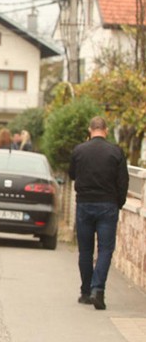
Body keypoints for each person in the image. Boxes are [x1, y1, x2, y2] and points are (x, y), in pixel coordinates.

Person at [69, 116, 129, 310]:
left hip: (84, 204)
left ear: (90, 129)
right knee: (105, 249)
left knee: (85, 250)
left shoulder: (79, 150)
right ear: (106, 129)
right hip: (107, 205)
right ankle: (98, 290)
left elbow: (72, 175)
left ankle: (85, 292)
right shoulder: (116, 152)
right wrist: (118, 203)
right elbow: (123, 182)